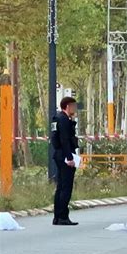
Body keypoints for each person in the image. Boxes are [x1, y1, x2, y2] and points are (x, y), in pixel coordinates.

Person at [51, 97, 79, 226]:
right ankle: (62, 216)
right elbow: (65, 140)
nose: (75, 108)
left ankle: (57, 217)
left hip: (59, 154)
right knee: (66, 187)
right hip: (64, 155)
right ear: (68, 106)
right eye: (73, 106)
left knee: (60, 187)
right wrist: (69, 158)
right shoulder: (63, 120)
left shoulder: (58, 118)